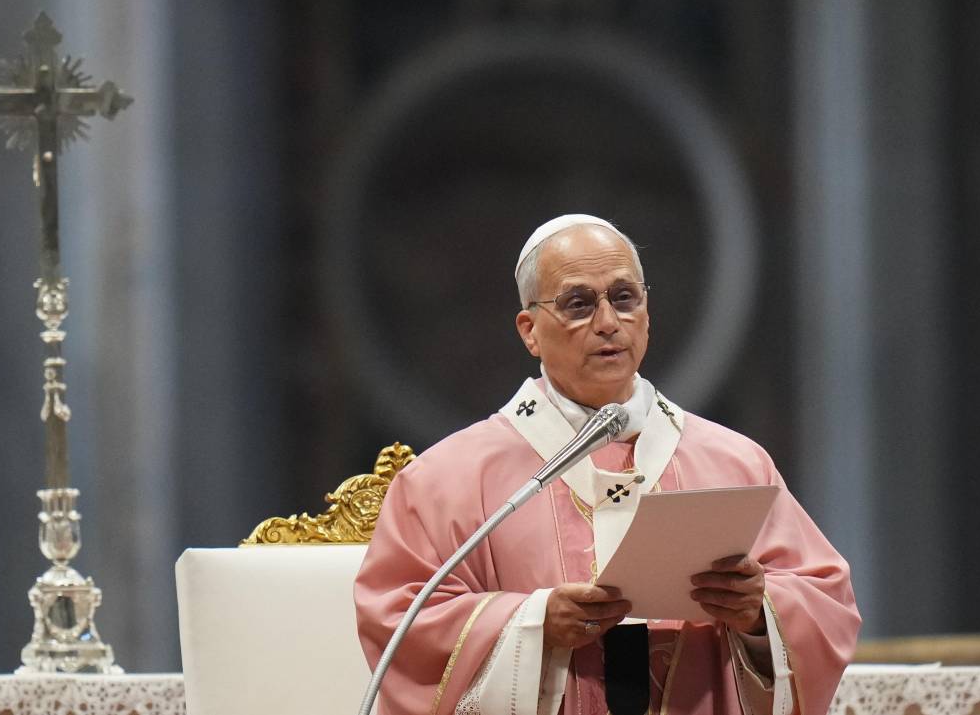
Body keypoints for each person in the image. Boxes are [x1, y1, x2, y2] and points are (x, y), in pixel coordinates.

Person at [354, 214, 860, 715]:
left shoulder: (734, 463)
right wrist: (535, 623)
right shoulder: (448, 479)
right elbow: (399, 623)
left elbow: (825, 601)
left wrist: (756, 613)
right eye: (578, 304)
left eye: (624, 298)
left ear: (647, 313)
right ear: (530, 331)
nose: (608, 322)